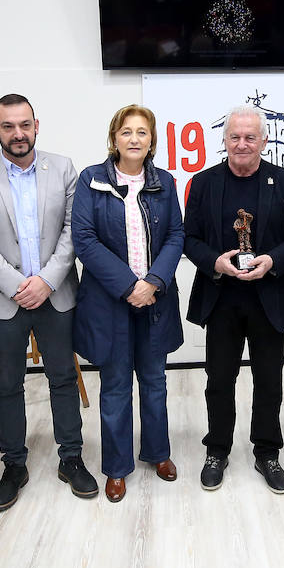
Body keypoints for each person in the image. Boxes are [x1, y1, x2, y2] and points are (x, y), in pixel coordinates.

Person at [0, 93, 98, 510]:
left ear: (37, 125)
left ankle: (70, 458)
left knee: (62, 378)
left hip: (56, 296)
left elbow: (75, 229)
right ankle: (13, 464)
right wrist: (20, 284)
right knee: (7, 384)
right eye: (8, 126)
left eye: (24, 125)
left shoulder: (64, 168)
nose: (17, 134)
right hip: (3, 300)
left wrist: (47, 282)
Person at [183, 105, 284, 493]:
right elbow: (188, 238)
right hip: (221, 298)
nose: (242, 143)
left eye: (250, 137)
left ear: (264, 141)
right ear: (224, 141)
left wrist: (272, 260)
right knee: (219, 380)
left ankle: (267, 452)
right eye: (234, 137)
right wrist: (214, 262)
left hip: (269, 297)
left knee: (269, 382)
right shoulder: (203, 183)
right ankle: (217, 449)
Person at [71, 104, 185, 502]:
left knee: (154, 381)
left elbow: (175, 235)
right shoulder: (91, 180)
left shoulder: (165, 182)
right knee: (116, 385)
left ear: (152, 140)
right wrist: (128, 286)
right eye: (126, 132)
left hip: (154, 300)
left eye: (142, 132)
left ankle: (158, 453)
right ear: (114, 138)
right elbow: (84, 239)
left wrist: (153, 282)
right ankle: (117, 468)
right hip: (111, 302)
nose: (134, 139)